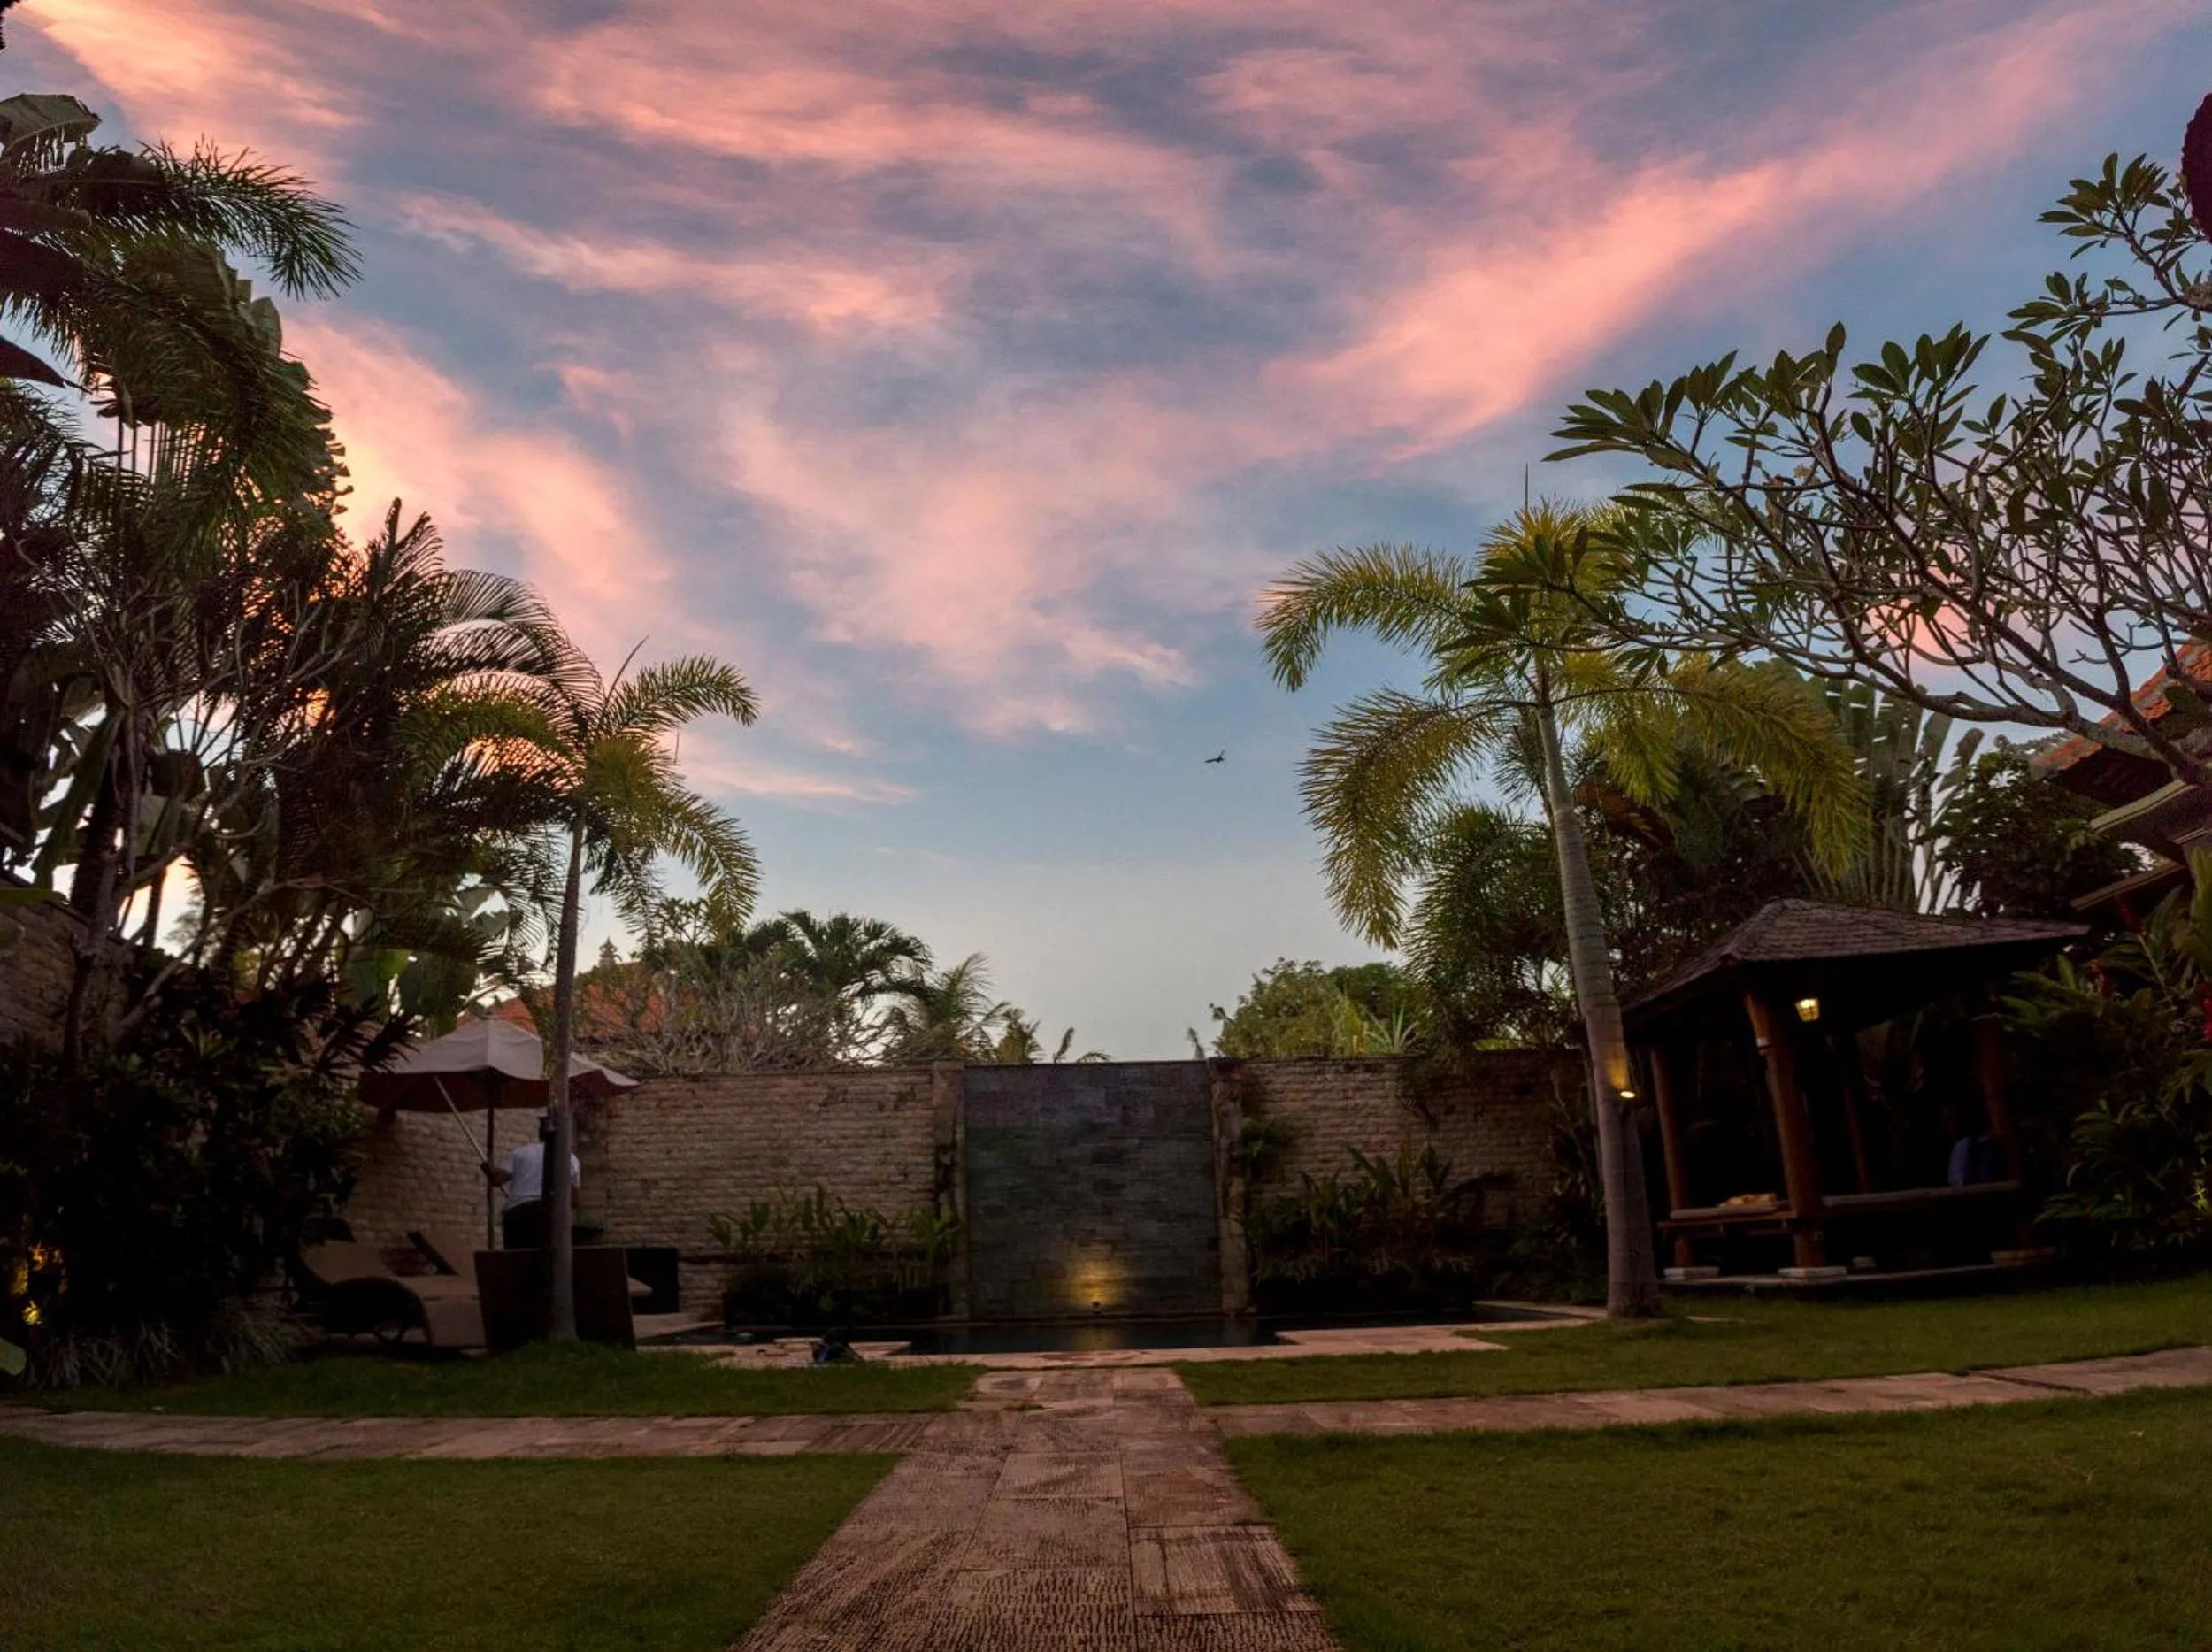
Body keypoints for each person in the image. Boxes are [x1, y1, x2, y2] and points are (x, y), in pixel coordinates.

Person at [485, 1127, 580, 1249]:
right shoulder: (571, 1159)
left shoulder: (520, 1153)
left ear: (540, 1134)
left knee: (516, 1259)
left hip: (518, 1213)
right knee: (547, 1262)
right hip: (550, 1214)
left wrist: (488, 1169)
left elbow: (497, 1180)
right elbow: (574, 1200)